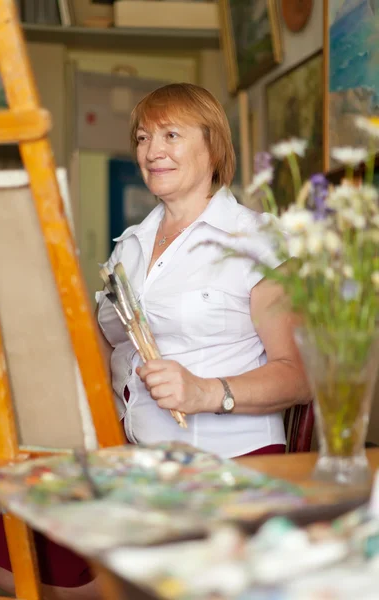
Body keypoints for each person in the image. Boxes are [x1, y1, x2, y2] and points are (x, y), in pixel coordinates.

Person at [96, 82, 311, 458]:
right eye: (144, 138)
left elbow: (299, 376)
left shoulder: (256, 241)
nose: (152, 151)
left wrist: (204, 392)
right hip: (132, 457)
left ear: (212, 147)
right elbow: (109, 339)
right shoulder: (128, 246)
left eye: (171, 135)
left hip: (231, 462)